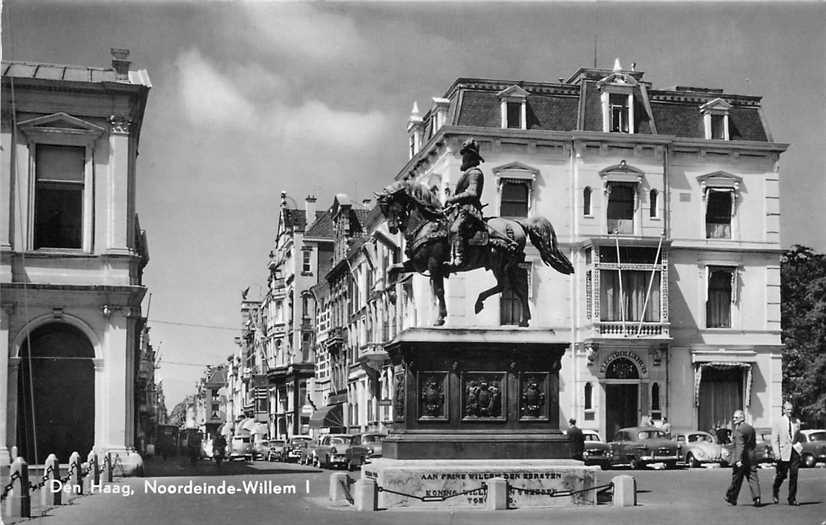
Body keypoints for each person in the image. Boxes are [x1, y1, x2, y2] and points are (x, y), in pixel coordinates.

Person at [444, 138, 485, 271]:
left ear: (471, 157)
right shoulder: (467, 173)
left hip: (470, 210)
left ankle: (459, 258)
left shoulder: (474, 173)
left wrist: (453, 199)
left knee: (456, 229)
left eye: (465, 155)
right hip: (459, 209)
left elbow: (472, 192)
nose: (463, 158)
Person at [723, 409, 762, 507]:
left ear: (742, 418)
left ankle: (731, 497)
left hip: (742, 458)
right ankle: (757, 498)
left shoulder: (739, 429)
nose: (733, 419)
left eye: (736, 417)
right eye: (733, 417)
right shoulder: (751, 428)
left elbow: (740, 446)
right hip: (751, 456)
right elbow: (753, 443)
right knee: (753, 477)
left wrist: (738, 460)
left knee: (736, 477)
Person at [771, 401, 802, 505]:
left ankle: (792, 498)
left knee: (794, 474)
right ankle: (775, 489)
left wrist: (799, 446)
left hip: (794, 451)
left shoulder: (796, 421)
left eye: (791, 409)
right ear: (784, 410)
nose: (790, 411)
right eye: (788, 409)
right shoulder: (778, 422)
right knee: (782, 475)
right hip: (783, 451)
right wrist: (777, 453)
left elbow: (798, 436)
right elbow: (774, 439)